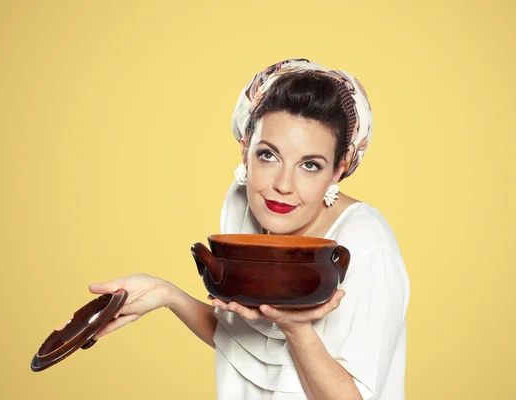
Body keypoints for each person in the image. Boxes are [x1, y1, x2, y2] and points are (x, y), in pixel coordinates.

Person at [88, 58, 410, 400]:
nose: (283, 186)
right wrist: (166, 295)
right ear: (245, 149)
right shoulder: (244, 205)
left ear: (338, 169)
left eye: (310, 165)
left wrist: (297, 329)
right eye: (268, 156)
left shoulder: (365, 244)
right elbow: (244, 342)